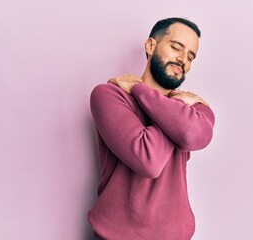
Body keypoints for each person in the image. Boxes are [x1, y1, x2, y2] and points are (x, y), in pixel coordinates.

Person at [88, 17, 215, 240]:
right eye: (176, 47)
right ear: (150, 45)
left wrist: (139, 89)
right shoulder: (109, 95)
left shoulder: (195, 107)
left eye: (191, 56)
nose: (183, 59)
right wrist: (176, 106)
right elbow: (148, 160)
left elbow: (196, 135)